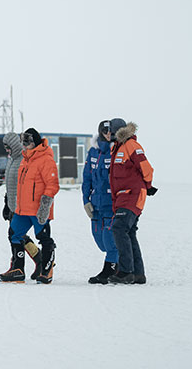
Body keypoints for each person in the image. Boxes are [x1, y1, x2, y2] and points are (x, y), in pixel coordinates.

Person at [0, 128, 59, 283]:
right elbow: (17, 186)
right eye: (23, 141)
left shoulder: (46, 159)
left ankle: (46, 269)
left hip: (38, 210)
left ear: (35, 142)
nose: (25, 145)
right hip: (22, 209)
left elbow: (52, 185)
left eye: (28, 142)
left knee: (43, 238)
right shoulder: (25, 159)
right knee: (14, 234)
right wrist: (9, 204)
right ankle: (18, 270)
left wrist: (45, 206)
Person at [107, 118, 157, 285]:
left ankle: (126, 271)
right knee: (128, 232)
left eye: (109, 130)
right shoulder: (117, 148)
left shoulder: (131, 146)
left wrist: (148, 186)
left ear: (115, 131)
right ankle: (138, 274)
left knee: (119, 228)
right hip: (124, 196)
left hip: (133, 195)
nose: (107, 134)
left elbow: (146, 167)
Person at [82, 120, 119, 284]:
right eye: (105, 131)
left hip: (112, 205)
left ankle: (109, 270)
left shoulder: (117, 151)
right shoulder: (93, 152)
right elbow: (87, 178)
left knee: (110, 240)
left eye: (110, 131)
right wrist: (85, 200)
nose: (108, 134)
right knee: (101, 242)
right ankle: (118, 264)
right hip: (96, 205)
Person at [0, 131, 25, 277]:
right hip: (12, 203)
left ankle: (19, 266)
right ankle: (19, 264)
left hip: (21, 205)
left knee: (16, 235)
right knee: (15, 235)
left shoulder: (23, 159)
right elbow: (10, 184)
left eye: (8, 147)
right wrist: (6, 202)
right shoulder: (12, 160)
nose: (7, 150)